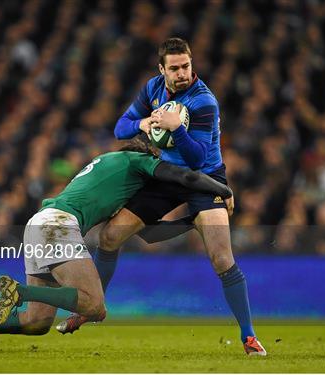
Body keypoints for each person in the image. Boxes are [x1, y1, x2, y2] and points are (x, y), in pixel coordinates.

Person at [57, 38, 266, 356]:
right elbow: (120, 128)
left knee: (222, 259)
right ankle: (91, 306)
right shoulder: (152, 88)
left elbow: (196, 159)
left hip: (205, 180)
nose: (182, 73)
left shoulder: (204, 102)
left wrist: (176, 128)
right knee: (110, 236)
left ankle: (249, 336)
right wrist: (143, 122)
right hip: (164, 176)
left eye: (186, 66)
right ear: (162, 69)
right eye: (175, 68)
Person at [0, 140, 233, 351]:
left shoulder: (110, 168)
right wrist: (223, 189)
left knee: (36, 322)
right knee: (94, 306)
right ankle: (20, 292)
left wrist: (190, 221)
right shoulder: (139, 161)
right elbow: (182, 175)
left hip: (40, 224)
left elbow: (147, 234)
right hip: (58, 226)